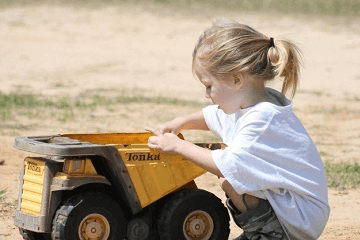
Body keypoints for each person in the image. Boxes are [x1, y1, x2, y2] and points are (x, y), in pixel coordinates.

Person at [145, 19, 330, 240]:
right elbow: (212, 116)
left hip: (299, 217)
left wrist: (179, 146)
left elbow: (226, 165)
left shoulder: (262, 120)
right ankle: (262, 232)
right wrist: (180, 122)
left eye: (209, 86)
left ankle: (270, 236)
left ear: (236, 79)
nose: (207, 95)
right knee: (231, 182)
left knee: (230, 179)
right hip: (294, 208)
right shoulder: (252, 103)